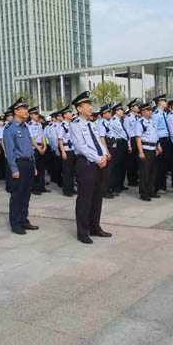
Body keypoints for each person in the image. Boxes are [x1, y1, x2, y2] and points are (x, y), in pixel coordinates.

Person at [70, 91, 111, 244]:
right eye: (86, 105)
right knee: (85, 199)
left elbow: (98, 142)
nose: (90, 107)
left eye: (90, 105)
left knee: (97, 197)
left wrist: (104, 154)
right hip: (86, 164)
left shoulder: (92, 124)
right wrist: (98, 158)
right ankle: (82, 232)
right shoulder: (75, 125)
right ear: (79, 108)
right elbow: (81, 147)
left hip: (98, 163)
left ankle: (95, 227)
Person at [3, 97, 40, 235]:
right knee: (17, 195)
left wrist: (34, 165)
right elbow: (10, 151)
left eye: (26, 108)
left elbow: (29, 148)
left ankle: (24, 219)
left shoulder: (25, 127)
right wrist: (14, 169)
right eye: (23, 109)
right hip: (19, 164)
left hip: (29, 163)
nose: (26, 111)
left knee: (26, 194)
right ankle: (15, 223)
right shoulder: (10, 129)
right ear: (16, 111)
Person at [135, 101, 161, 201]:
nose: (151, 112)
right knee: (144, 173)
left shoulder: (151, 121)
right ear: (143, 112)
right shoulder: (140, 122)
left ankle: (150, 190)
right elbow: (138, 137)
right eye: (148, 110)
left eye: (151, 110)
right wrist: (140, 151)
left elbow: (155, 135)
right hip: (145, 149)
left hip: (153, 149)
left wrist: (158, 146)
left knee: (152, 172)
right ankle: (144, 193)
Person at [152, 94, 173, 193]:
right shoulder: (156, 114)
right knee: (159, 165)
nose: (166, 102)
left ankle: (163, 186)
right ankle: (158, 187)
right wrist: (158, 145)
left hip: (166, 139)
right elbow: (154, 130)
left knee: (165, 164)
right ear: (159, 102)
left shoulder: (164, 114)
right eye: (164, 101)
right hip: (160, 140)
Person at [109, 103, 130, 194]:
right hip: (118, 144)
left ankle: (120, 184)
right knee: (117, 166)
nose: (122, 111)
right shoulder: (113, 121)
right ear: (116, 111)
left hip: (123, 143)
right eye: (121, 110)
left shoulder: (120, 120)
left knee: (123, 165)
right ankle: (115, 186)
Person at [28, 107, 49, 195]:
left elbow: (43, 136)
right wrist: (38, 148)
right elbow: (32, 139)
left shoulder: (40, 124)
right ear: (31, 115)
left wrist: (44, 146)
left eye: (37, 114)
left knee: (42, 168)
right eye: (35, 114)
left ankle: (42, 186)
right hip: (35, 149)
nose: (37, 116)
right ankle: (35, 188)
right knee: (35, 168)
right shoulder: (29, 125)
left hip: (41, 147)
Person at [98, 105, 117, 199]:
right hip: (107, 149)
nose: (110, 114)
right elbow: (102, 139)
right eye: (108, 112)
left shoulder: (108, 123)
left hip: (112, 147)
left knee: (111, 172)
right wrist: (107, 152)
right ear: (103, 114)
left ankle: (109, 189)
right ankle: (104, 191)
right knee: (106, 172)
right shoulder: (102, 124)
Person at [58, 105, 77, 197]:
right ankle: (66, 190)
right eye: (69, 113)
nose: (71, 114)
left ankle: (72, 188)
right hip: (67, 150)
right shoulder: (62, 125)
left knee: (73, 170)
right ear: (65, 115)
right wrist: (63, 152)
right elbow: (60, 139)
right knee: (67, 171)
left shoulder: (72, 124)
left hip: (73, 150)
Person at [124, 99, 140, 187]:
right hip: (132, 140)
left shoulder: (137, 117)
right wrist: (129, 145)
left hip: (137, 139)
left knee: (137, 161)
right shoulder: (128, 118)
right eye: (136, 106)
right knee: (131, 161)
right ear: (132, 108)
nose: (138, 107)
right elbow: (127, 132)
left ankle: (136, 178)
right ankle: (131, 180)